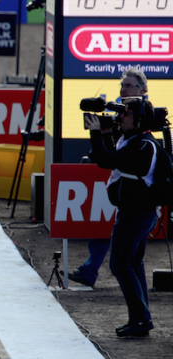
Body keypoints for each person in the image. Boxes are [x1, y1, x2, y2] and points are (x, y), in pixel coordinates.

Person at [69, 67, 149, 287]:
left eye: (129, 85)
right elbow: (108, 155)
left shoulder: (145, 117)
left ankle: (140, 312)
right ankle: (90, 269)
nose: (124, 90)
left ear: (143, 89)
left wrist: (101, 138)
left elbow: (116, 156)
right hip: (118, 183)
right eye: (122, 86)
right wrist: (102, 136)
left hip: (137, 192)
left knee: (128, 261)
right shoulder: (119, 115)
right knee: (103, 227)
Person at [84, 97, 157, 337]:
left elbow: (104, 161)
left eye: (126, 113)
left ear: (139, 119)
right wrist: (104, 133)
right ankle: (141, 318)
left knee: (119, 264)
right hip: (138, 213)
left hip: (136, 215)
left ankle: (140, 319)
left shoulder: (141, 146)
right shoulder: (136, 140)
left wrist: (96, 132)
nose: (120, 116)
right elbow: (108, 156)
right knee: (133, 264)